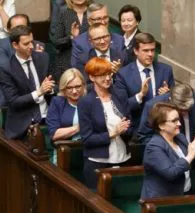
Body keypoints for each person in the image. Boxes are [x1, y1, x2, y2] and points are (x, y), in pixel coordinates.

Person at [78, 57, 132, 189]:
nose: (107, 78)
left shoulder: (120, 95)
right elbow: (87, 139)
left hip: (123, 158)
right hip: (98, 163)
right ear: (92, 77)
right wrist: (112, 134)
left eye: (109, 74)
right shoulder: (86, 102)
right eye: (102, 75)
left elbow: (130, 125)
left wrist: (125, 130)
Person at [0, 25, 55, 140]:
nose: (31, 46)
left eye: (32, 42)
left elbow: (56, 85)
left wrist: (50, 88)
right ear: (15, 45)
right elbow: (14, 102)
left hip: (49, 118)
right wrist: (39, 92)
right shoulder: (6, 68)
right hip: (23, 125)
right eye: (26, 44)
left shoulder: (43, 58)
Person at [137, 83, 195, 167]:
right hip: (167, 162)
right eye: (181, 110)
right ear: (170, 100)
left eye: (188, 109)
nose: (184, 113)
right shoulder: (153, 106)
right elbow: (144, 136)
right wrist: (168, 151)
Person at [0, 13, 47, 120]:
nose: (20, 31)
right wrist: (28, 56)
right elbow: (2, 69)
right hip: (8, 98)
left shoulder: (38, 46)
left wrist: (37, 58)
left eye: (23, 27)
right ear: (9, 30)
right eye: (16, 29)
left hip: (39, 105)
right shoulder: (1, 44)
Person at [113, 32, 173, 136]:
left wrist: (167, 95)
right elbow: (122, 107)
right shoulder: (123, 74)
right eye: (146, 50)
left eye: (152, 50)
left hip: (163, 130)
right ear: (136, 51)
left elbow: (175, 102)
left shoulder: (166, 70)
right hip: (138, 132)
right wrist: (140, 95)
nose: (150, 54)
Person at [140, 102, 195, 200]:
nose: (179, 124)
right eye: (174, 121)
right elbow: (171, 173)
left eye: (178, 119)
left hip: (185, 193)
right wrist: (190, 155)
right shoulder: (154, 147)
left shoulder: (180, 138)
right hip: (161, 200)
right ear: (161, 125)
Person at [71, 3, 124, 73]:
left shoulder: (119, 40)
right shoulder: (79, 43)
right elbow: (78, 72)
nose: (103, 22)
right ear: (89, 21)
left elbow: (128, 69)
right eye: (98, 19)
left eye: (105, 17)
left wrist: (120, 71)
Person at [46, 68, 85, 152]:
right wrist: (79, 127)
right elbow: (54, 134)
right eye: (69, 88)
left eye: (77, 86)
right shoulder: (57, 102)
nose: (74, 91)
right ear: (63, 88)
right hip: (64, 151)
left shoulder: (90, 101)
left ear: (83, 86)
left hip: (88, 150)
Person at [51, 0, 89, 81]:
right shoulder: (64, 14)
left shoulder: (93, 13)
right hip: (67, 64)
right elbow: (56, 42)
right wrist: (72, 37)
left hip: (89, 63)